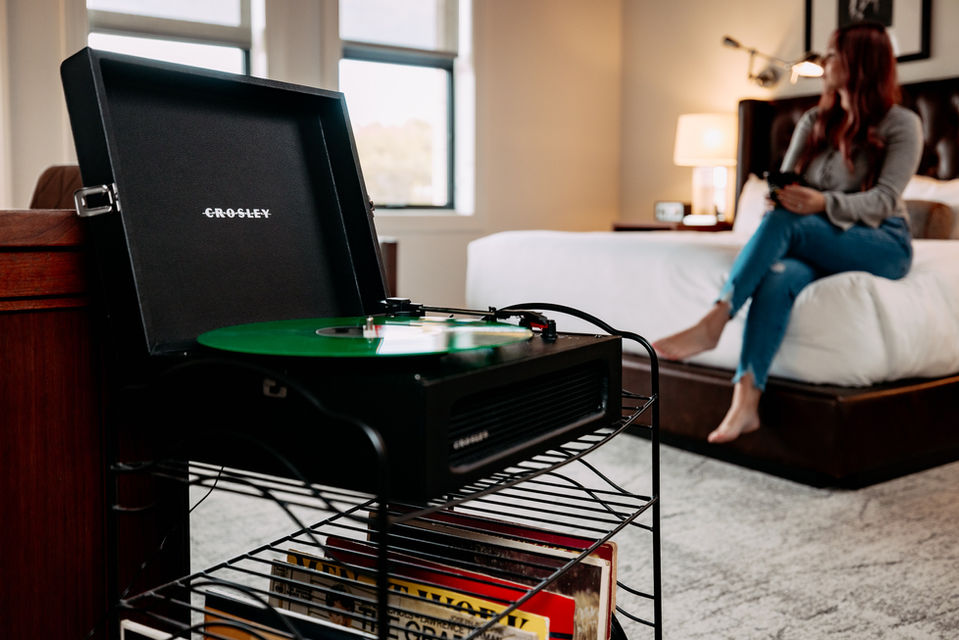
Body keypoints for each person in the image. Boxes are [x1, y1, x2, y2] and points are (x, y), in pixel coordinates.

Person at [652, 22, 922, 444]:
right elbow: (788, 186)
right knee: (777, 276)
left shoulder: (901, 123)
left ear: (860, 62)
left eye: (833, 54)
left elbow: (885, 199)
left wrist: (821, 204)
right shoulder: (814, 120)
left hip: (882, 242)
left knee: (789, 224)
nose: (825, 62)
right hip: (816, 237)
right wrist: (782, 198)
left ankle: (716, 318)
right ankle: (745, 404)